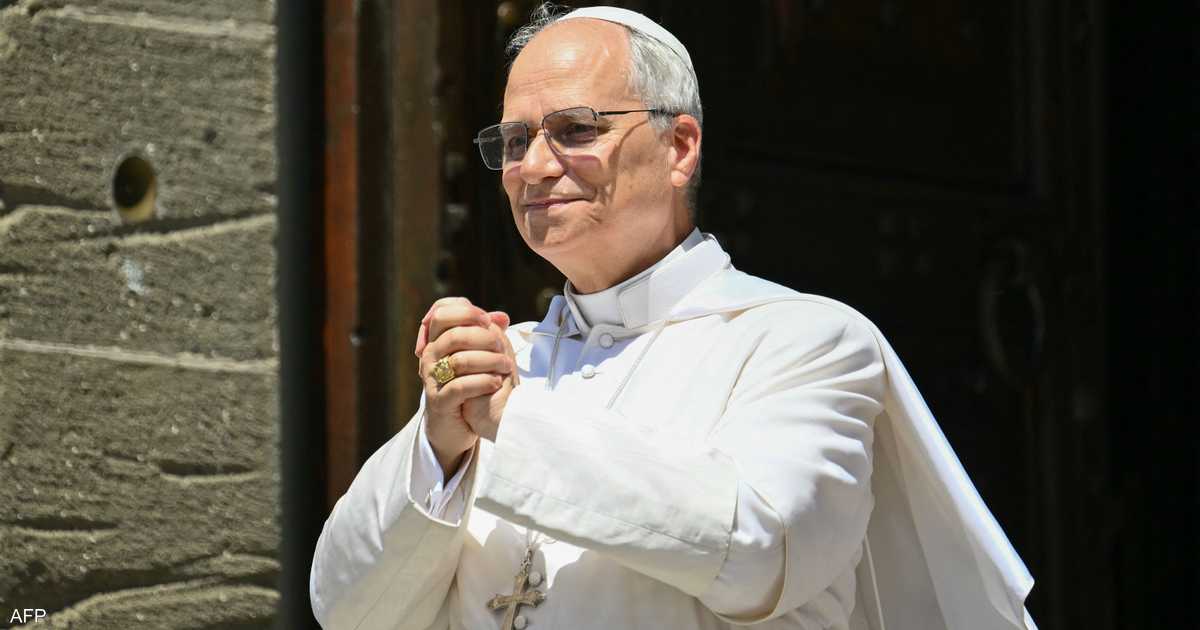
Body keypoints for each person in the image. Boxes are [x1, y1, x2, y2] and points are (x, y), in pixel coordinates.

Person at [309, 5, 1037, 629]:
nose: (532, 167)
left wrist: (512, 421)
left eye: (574, 129)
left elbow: (762, 548)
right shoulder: (500, 365)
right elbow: (348, 611)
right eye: (516, 141)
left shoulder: (808, 341)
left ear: (679, 147)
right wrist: (440, 445)